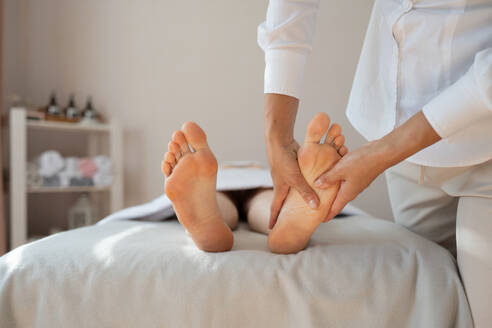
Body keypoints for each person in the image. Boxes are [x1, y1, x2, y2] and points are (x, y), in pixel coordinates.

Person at [257, 0, 492, 326]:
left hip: (483, 144)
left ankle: (283, 218)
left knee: (480, 312)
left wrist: (383, 152)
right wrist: (276, 134)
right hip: (401, 145)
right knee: (431, 307)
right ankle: (284, 218)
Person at [161, 114, 346, 254]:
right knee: (266, 203)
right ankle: (282, 223)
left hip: (219, 187)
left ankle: (208, 221)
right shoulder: (259, 170)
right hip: (259, 185)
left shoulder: (207, 171)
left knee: (218, 204)